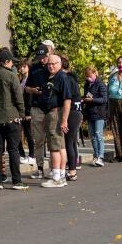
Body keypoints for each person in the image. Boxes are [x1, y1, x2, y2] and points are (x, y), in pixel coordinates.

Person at [0, 48, 27, 190]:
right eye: (11, 62)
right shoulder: (11, 76)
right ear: (6, 62)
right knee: (13, 150)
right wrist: (21, 114)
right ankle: (16, 181)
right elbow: (18, 98)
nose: (12, 65)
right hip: (12, 118)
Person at [39, 53, 74, 188]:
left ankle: (56, 178)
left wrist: (64, 119)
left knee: (54, 146)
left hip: (56, 114)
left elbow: (67, 100)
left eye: (54, 64)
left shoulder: (62, 78)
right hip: (50, 113)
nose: (51, 66)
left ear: (60, 64)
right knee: (60, 145)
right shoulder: (51, 77)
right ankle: (60, 175)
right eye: (49, 64)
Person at [24, 44, 52, 179]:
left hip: (51, 107)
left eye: (44, 57)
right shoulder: (34, 68)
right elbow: (26, 88)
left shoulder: (52, 66)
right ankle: (40, 168)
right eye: (40, 57)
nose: (42, 60)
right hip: (36, 107)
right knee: (39, 140)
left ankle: (54, 168)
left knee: (52, 139)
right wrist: (33, 90)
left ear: (49, 54)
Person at [82, 66, 108, 167]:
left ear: (94, 73)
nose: (89, 78)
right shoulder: (87, 84)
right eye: (87, 77)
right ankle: (96, 155)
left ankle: (100, 156)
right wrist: (84, 100)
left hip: (99, 113)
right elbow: (86, 96)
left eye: (90, 76)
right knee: (92, 136)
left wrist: (92, 100)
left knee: (98, 135)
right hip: (90, 113)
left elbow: (104, 99)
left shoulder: (100, 84)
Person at [62, 56, 82, 180]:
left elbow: (66, 98)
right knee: (72, 142)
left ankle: (72, 170)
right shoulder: (72, 78)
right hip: (77, 112)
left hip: (72, 112)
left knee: (68, 142)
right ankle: (72, 168)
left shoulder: (66, 79)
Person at [17, 59, 36, 165]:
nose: (21, 68)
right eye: (20, 66)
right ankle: (21, 154)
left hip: (28, 111)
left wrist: (29, 113)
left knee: (29, 134)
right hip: (21, 111)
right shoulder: (20, 80)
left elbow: (31, 98)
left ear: (28, 67)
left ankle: (32, 155)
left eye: (24, 66)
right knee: (18, 133)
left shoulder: (31, 81)